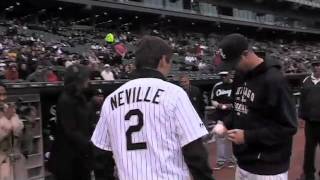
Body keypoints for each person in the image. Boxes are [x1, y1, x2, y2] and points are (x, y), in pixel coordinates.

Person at [91, 36, 214, 180]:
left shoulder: (111, 100)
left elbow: (100, 155)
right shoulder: (174, 94)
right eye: (170, 60)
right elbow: (195, 153)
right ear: (162, 60)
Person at [215, 33, 297, 180]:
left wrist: (247, 136)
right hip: (243, 162)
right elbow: (239, 108)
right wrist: (225, 123)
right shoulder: (239, 76)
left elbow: (288, 127)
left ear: (246, 54)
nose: (233, 68)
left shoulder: (275, 80)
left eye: (234, 63)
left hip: (268, 167)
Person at [48, 64, 93, 180]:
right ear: (78, 80)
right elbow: (70, 130)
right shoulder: (66, 100)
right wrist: (90, 144)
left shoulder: (80, 97)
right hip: (68, 158)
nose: (88, 80)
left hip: (80, 156)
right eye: (85, 77)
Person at [298, 60, 320, 180]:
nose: (317, 67)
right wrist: (301, 116)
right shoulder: (306, 81)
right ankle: (308, 174)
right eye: (315, 65)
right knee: (309, 149)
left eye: (319, 65)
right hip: (310, 122)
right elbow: (302, 100)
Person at [89, 88, 116, 180]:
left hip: (106, 146)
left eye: (101, 96)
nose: (100, 98)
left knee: (108, 171)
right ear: (93, 97)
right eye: (98, 96)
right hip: (94, 144)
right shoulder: (88, 108)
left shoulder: (105, 107)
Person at [0, 83, 25, 180]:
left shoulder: (8, 108)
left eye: (4, 94)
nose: (2, 98)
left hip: (13, 157)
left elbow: (19, 129)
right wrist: (6, 119)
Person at [210, 71, 235, 170]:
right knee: (220, 138)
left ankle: (231, 160)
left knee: (231, 137)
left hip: (232, 116)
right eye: (221, 76)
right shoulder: (217, 86)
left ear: (229, 75)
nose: (223, 77)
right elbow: (212, 99)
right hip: (220, 116)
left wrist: (231, 105)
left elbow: (240, 99)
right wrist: (218, 105)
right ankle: (221, 160)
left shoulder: (235, 84)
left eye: (225, 75)